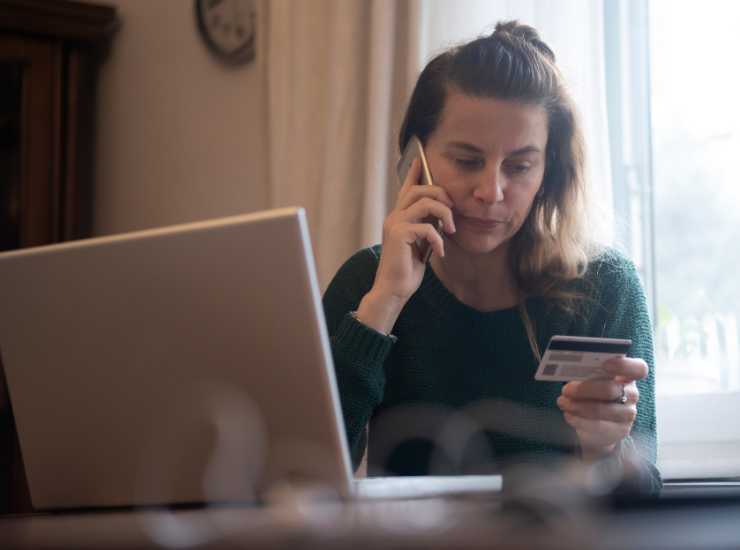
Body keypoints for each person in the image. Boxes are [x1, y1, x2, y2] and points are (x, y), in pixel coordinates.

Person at [322, 21, 661, 494]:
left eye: (519, 166)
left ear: (549, 171)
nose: (490, 192)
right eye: (466, 160)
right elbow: (308, 477)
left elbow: (643, 504)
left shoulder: (604, 288)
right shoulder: (367, 282)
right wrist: (384, 303)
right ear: (413, 160)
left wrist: (605, 452)